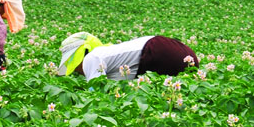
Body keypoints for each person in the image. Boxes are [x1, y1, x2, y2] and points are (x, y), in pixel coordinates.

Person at [58, 31, 197, 81]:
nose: (77, 72)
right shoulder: (107, 56)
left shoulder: (91, 58)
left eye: (74, 66)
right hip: (181, 51)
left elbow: (96, 92)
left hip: (156, 51)